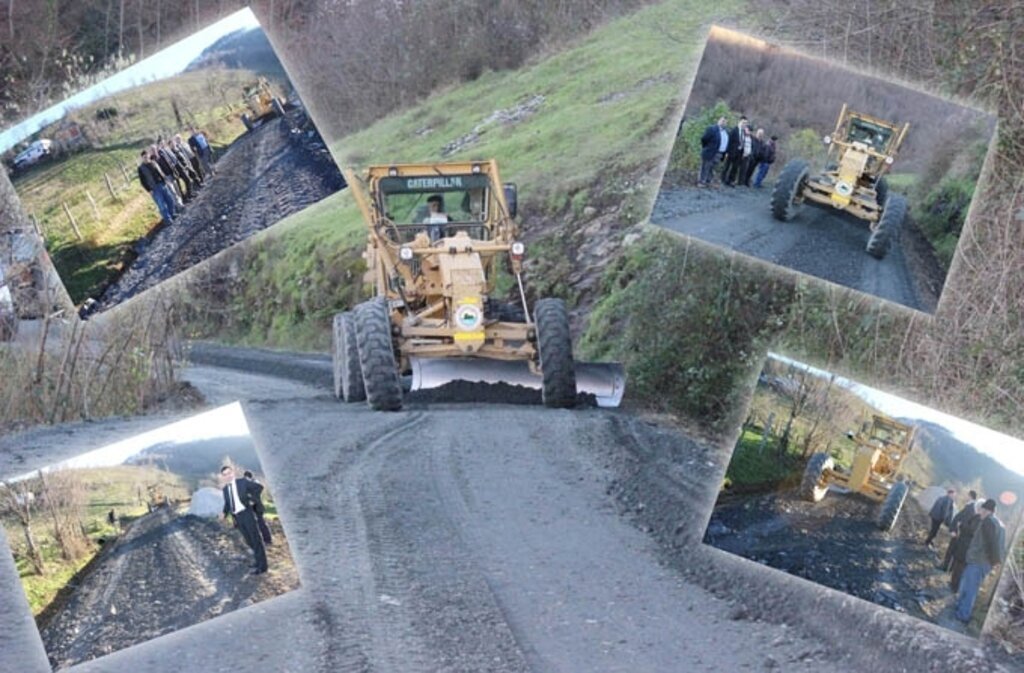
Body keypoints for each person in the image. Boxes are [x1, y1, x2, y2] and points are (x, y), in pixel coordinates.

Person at [955, 499, 1005, 623]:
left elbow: (991, 543)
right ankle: (960, 608)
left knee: (970, 588)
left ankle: (963, 615)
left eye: (981, 510)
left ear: (986, 510)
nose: (980, 512)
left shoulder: (988, 522)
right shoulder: (999, 524)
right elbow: (999, 545)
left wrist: (995, 561)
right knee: (967, 585)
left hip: (979, 562)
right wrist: (995, 561)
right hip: (981, 562)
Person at [219, 465, 268, 575]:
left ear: (233, 473)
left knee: (256, 539)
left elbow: (259, 487)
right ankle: (258, 561)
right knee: (249, 540)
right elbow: (228, 504)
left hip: (247, 513)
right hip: (237, 518)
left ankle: (263, 567)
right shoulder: (225, 489)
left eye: (229, 473)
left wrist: (252, 499)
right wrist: (224, 513)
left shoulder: (242, 482)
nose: (228, 476)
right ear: (223, 477)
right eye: (225, 474)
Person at [941, 490, 980, 571]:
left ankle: (946, 568)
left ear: (970, 496)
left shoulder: (971, 508)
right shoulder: (969, 506)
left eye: (967, 495)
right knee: (953, 552)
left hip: (959, 534)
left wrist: (955, 530)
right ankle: (947, 568)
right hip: (959, 533)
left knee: (952, 551)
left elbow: (962, 521)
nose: (965, 497)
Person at [137, 150, 176, 224]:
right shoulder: (140, 168)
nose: (146, 158)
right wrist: (149, 190)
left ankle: (172, 214)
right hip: (154, 188)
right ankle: (168, 220)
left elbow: (160, 172)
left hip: (162, 184)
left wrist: (165, 180)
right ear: (142, 158)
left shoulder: (153, 163)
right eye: (144, 157)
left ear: (149, 155)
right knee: (162, 205)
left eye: (147, 156)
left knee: (170, 200)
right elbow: (142, 181)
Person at [243, 470, 272, 545]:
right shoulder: (247, 485)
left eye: (246, 478)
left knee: (261, 523)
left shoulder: (255, 483)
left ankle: (267, 540)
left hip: (257, 507)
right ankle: (260, 540)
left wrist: (252, 499)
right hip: (251, 508)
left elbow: (260, 488)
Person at [699, 116, 729, 187]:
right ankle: (701, 182)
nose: (723, 122)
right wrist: (707, 148)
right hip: (710, 151)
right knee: (705, 167)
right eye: (722, 120)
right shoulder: (712, 129)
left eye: (725, 121)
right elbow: (704, 139)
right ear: (718, 121)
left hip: (720, 153)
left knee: (712, 168)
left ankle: (708, 181)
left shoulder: (726, 131)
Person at [720, 116, 748, 187]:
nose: (744, 124)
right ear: (740, 122)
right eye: (743, 123)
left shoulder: (743, 132)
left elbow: (743, 142)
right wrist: (727, 152)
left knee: (735, 168)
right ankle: (723, 179)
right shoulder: (734, 130)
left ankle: (730, 180)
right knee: (727, 166)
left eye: (746, 123)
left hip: (739, 152)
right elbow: (729, 141)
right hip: (731, 151)